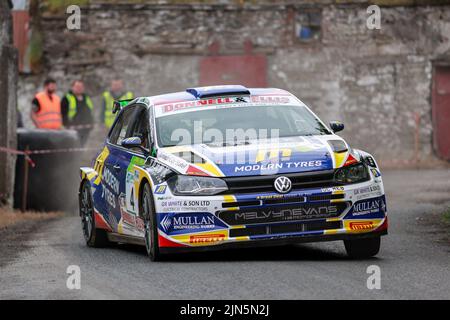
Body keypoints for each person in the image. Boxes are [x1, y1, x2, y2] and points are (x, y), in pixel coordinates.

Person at [61, 80, 94, 145]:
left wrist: (91, 123)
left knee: (82, 147)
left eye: (81, 87)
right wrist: (66, 125)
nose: (79, 88)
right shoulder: (67, 98)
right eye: (77, 86)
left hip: (85, 129)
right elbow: (62, 114)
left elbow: (91, 112)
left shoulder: (87, 98)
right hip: (71, 130)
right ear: (72, 87)